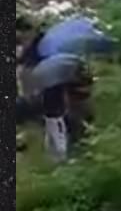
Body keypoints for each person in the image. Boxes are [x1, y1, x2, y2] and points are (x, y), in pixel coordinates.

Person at [15, 15, 114, 161]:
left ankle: (65, 155)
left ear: (28, 32)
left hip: (60, 100)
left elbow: (37, 82)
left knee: (56, 122)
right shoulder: (48, 46)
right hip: (66, 96)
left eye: (21, 35)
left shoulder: (45, 52)